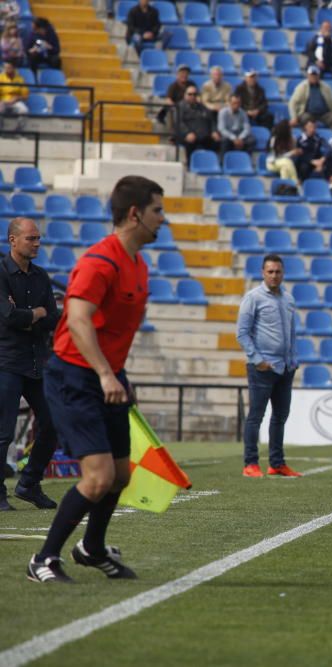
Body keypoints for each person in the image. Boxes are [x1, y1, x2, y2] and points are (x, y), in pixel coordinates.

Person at [27, 176, 166, 583]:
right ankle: (44, 559)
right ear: (135, 213)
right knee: (99, 477)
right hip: (75, 376)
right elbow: (78, 320)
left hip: (107, 376)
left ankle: (91, 548)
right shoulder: (98, 262)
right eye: (157, 210)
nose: (163, 218)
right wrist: (106, 373)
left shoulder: (138, 265)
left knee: (121, 476)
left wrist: (116, 375)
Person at [0, 218, 60, 512]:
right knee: (4, 431)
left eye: (38, 239)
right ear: (12, 240)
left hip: (37, 361)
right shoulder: (0, 273)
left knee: (53, 422)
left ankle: (29, 484)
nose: (37, 243)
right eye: (31, 238)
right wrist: (31, 315)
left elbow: (52, 317)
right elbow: (7, 318)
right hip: (6, 362)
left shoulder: (41, 277)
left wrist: (27, 315)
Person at [236, 254, 300, 480]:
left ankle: (277, 463)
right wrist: (257, 359)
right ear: (263, 273)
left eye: (278, 271)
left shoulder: (289, 299)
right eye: (270, 271)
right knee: (256, 416)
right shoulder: (253, 298)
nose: (274, 275)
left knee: (280, 416)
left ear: (283, 273)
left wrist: (293, 360)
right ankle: (250, 463)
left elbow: (291, 333)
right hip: (262, 368)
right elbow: (242, 333)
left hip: (285, 368)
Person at [176, 85, 220, 164]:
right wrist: (187, 133)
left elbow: (211, 120)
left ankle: (212, 165)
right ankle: (190, 166)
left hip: (204, 136)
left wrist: (214, 131)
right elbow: (179, 122)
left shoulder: (202, 107)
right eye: (190, 94)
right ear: (185, 95)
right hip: (188, 136)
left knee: (219, 141)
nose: (192, 96)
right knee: (190, 143)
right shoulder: (180, 107)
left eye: (195, 94)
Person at [306, 20, 332, 85]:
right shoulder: (315, 39)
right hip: (319, 64)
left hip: (331, 65)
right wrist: (316, 61)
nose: (328, 30)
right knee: (315, 72)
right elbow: (309, 51)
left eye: (329, 28)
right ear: (321, 29)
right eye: (326, 28)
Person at [0, 58, 28, 131]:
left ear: (13, 68)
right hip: (3, 100)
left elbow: (25, 95)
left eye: (8, 68)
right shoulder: (1, 77)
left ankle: (19, 130)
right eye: (5, 67)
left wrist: (17, 98)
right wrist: (2, 101)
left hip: (15, 101)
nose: (6, 69)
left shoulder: (20, 79)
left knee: (24, 110)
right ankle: (1, 130)